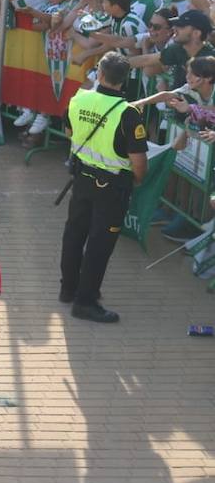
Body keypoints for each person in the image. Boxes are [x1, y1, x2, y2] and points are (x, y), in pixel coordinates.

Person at [61, 50, 149, 324]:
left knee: (74, 233)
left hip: (82, 178)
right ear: (125, 79)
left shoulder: (79, 98)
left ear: (99, 73)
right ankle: (85, 302)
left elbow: (69, 132)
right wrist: (136, 181)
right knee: (100, 244)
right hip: (112, 187)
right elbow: (139, 161)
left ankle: (68, 289)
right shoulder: (128, 114)